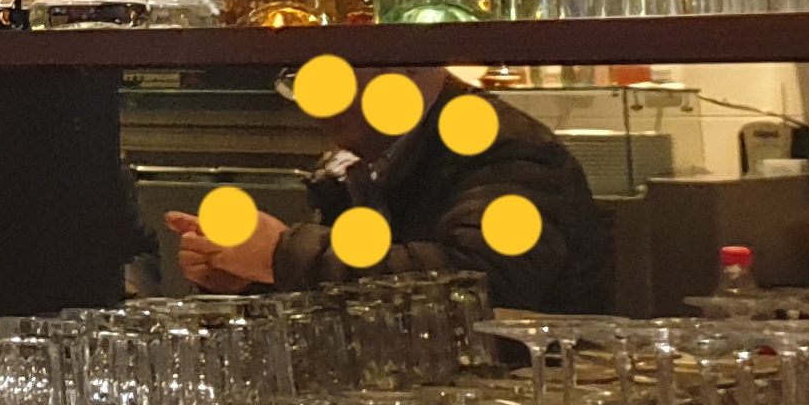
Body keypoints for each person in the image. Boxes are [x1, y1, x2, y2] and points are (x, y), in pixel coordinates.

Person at [163, 68, 615, 311]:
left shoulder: (504, 145)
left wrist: (283, 255)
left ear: (411, 61)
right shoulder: (364, 159)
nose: (315, 104)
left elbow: (477, 286)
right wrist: (249, 279)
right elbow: (354, 304)